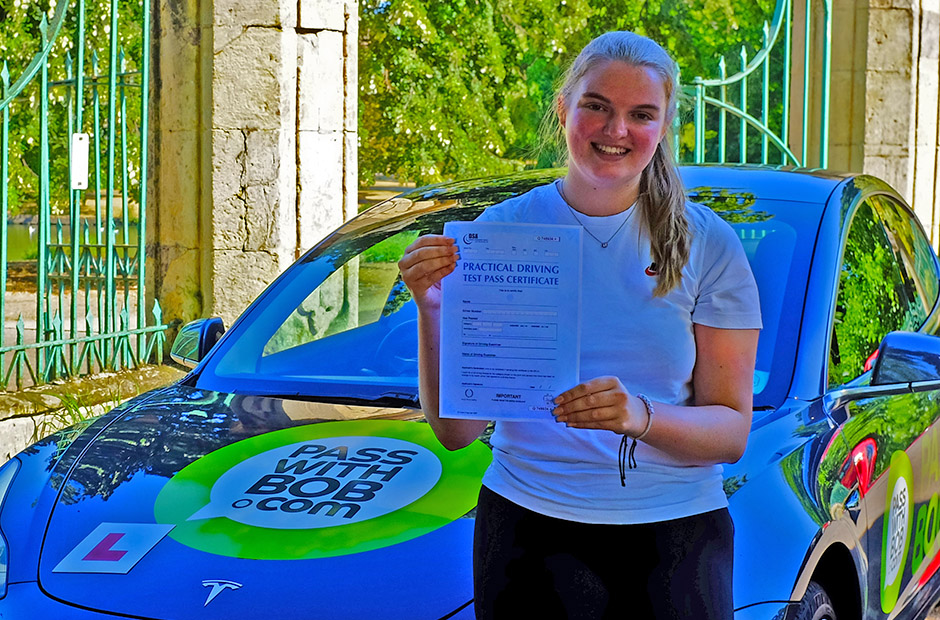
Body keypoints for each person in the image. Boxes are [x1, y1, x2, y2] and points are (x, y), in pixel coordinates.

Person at [398, 31, 761, 620]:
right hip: (527, 531)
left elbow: (731, 433)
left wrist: (637, 416)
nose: (616, 130)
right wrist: (432, 308)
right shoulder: (502, 233)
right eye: (596, 105)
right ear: (564, 107)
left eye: (640, 115)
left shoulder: (707, 243)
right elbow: (458, 431)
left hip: (674, 537)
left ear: (663, 127)